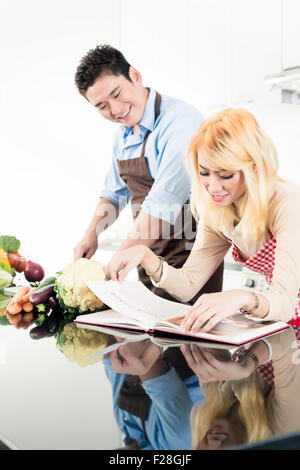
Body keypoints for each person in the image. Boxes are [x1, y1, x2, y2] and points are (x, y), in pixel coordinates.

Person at [106, 107, 300, 332]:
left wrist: (240, 297)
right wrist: (146, 256)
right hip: (281, 316)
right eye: (204, 173)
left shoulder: (287, 201)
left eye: (226, 175)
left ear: (253, 168)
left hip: (283, 308)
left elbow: (285, 301)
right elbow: (188, 285)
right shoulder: (218, 210)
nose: (214, 187)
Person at [73, 44, 223, 302]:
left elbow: (163, 204)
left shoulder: (180, 122)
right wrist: (91, 233)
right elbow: (114, 192)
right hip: (145, 257)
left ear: (135, 76)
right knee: (150, 337)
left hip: (190, 261)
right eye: (102, 106)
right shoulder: (123, 136)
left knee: (186, 340)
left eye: (117, 94)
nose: (116, 109)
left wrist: (111, 267)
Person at [180, 326, 300, 449]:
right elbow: (284, 334)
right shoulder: (284, 430)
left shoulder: (216, 404)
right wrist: (247, 365)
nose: (214, 442)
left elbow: (210, 335)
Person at [102, 336, 203, 450]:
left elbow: (112, 355)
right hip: (201, 345)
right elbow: (157, 373)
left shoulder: (123, 423)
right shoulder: (177, 445)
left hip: (164, 337)